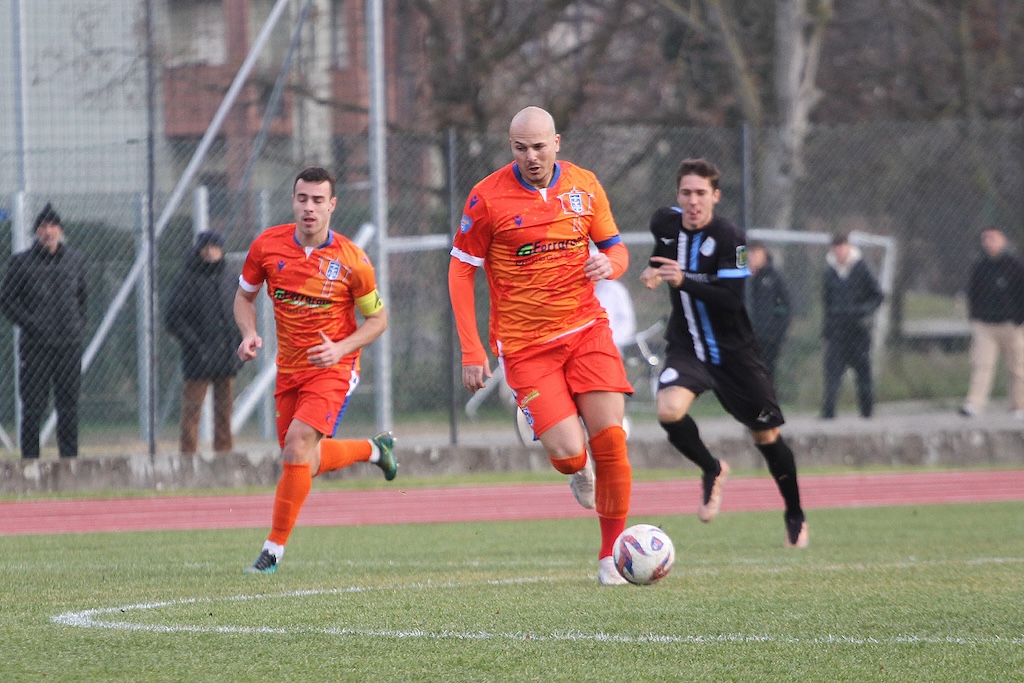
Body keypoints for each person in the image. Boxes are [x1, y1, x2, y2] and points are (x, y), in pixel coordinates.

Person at [449, 106, 635, 585]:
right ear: (511, 148)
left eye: (539, 146)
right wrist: (472, 349)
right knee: (573, 456)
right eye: (520, 148)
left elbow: (616, 248)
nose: (531, 157)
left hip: (587, 329)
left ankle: (611, 558)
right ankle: (572, 458)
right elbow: (460, 270)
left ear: (557, 142)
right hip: (526, 346)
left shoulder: (585, 186)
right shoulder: (487, 198)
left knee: (612, 441)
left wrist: (610, 266)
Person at [234, 166, 398, 574]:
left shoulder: (352, 261)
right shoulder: (267, 246)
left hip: (335, 367)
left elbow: (378, 320)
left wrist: (340, 348)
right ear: (293, 201)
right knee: (302, 460)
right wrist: (249, 332)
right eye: (302, 199)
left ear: (332, 205)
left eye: (318, 200)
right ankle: (375, 450)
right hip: (289, 368)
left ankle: (272, 551)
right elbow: (243, 297)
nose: (309, 208)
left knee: (297, 443)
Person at [639, 158, 808, 548]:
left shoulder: (733, 239)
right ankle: (712, 468)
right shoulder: (665, 222)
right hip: (687, 348)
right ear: (678, 195)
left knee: (766, 436)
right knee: (668, 410)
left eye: (701, 193)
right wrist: (652, 271)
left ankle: (795, 514)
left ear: (715, 196)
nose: (693, 201)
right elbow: (660, 257)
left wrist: (684, 280)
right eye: (686, 193)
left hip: (734, 355)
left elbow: (732, 300)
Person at [0, 203, 88, 459]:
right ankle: (30, 462)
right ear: (36, 232)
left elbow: (83, 298)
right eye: (42, 227)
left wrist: (77, 326)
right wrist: (31, 323)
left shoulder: (75, 260)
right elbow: (6, 300)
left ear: (60, 231)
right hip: (36, 347)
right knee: (33, 407)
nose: (48, 232)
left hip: (68, 346)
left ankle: (69, 462)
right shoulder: (21, 263)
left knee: (68, 406)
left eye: (52, 226)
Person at [165, 231, 243, 453]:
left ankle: (224, 456)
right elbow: (173, 318)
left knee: (225, 411)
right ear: (199, 250)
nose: (210, 251)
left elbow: (241, 312)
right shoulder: (187, 279)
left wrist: (237, 344)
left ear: (222, 250)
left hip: (226, 356)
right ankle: (187, 458)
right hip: (198, 358)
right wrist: (195, 344)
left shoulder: (231, 278)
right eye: (206, 247)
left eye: (215, 247)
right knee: (192, 411)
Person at [960, 227, 1024, 418]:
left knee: (1018, 367)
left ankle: (1018, 404)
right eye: (985, 239)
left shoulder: (1016, 266)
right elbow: (973, 294)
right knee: (981, 365)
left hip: (1011, 325)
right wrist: (976, 317)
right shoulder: (980, 267)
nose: (989, 242)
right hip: (985, 325)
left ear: (1004, 240)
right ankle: (974, 404)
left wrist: (1019, 319)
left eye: (993, 238)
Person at [821, 232, 884, 419]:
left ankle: (867, 412)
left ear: (848, 247)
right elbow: (826, 303)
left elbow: (877, 296)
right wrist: (825, 331)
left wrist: (863, 312)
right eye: (836, 249)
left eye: (842, 247)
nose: (839, 252)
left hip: (858, 331)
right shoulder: (829, 271)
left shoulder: (862, 267)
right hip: (837, 331)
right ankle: (828, 413)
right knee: (832, 373)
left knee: (863, 372)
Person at [745, 243, 791, 383]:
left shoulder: (774, 277)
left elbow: (785, 306)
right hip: (746, 334)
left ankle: (767, 403)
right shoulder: (746, 278)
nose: (754, 258)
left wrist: (776, 332)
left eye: (757, 254)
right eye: (751, 254)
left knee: (767, 373)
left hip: (768, 337)